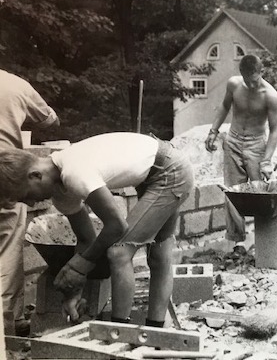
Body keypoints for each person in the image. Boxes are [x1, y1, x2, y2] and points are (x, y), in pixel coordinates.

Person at [0, 132, 194, 327]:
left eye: (26, 195)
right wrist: (74, 291)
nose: (32, 202)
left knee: (119, 253)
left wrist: (81, 265)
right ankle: (156, 332)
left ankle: (119, 335)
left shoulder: (73, 172)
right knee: (158, 255)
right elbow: (85, 240)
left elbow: (117, 225)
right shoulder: (61, 193)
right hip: (159, 173)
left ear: (35, 175)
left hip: (170, 171)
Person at [0, 69, 59, 337]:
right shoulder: (13, 83)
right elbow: (50, 120)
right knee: (8, 251)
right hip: (10, 177)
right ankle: (7, 323)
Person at [205, 54, 277, 254]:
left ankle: (264, 242)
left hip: (256, 145)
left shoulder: (270, 95)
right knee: (233, 193)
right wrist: (213, 131)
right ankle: (237, 243)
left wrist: (266, 160)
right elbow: (224, 106)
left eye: (254, 80)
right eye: (247, 80)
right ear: (242, 75)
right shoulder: (234, 85)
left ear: (261, 73)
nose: (251, 84)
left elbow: (274, 130)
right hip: (233, 140)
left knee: (260, 194)